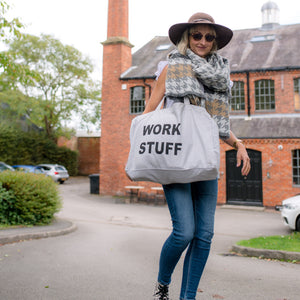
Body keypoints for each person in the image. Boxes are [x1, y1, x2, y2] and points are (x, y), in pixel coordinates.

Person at [143, 13, 251, 300]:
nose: (202, 41)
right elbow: (148, 114)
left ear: (215, 42)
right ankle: (163, 284)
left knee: (204, 237)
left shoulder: (220, 78)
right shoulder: (171, 67)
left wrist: (238, 143)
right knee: (184, 233)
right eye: (196, 35)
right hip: (176, 160)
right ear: (187, 37)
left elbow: (217, 126)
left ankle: (187, 297)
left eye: (208, 37)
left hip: (205, 161)